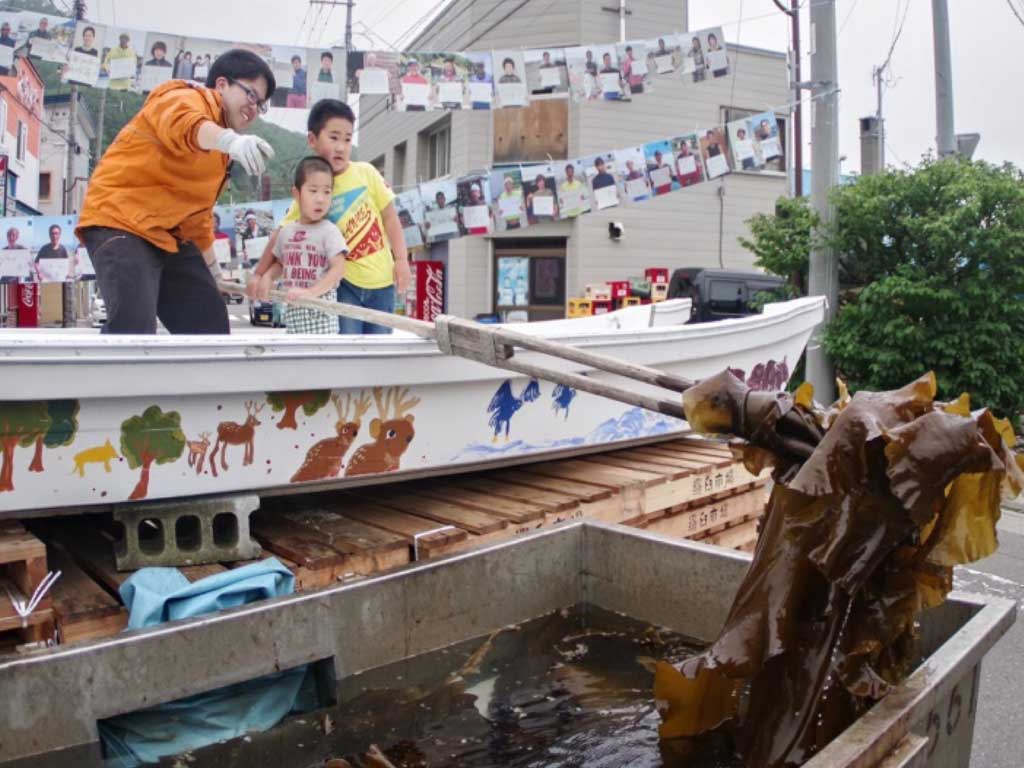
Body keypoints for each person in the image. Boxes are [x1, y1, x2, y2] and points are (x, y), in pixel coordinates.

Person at [75, 49, 277, 334]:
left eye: (262, 104)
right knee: (132, 326)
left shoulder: (219, 156)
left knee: (209, 323)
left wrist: (215, 275)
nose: (254, 108)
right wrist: (231, 141)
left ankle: (203, 380)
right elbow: (185, 124)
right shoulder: (183, 97)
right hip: (120, 221)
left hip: (168, 236)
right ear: (221, 84)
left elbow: (198, 219)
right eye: (251, 95)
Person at [247, 99, 410, 335]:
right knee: (346, 353)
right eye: (333, 138)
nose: (342, 147)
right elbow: (280, 234)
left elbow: (390, 218)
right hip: (345, 286)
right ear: (313, 140)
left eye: (347, 138)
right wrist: (260, 274)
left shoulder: (366, 172)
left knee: (379, 354)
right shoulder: (310, 189)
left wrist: (402, 260)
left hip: (383, 284)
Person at [258, 156, 348, 334]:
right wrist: (267, 277)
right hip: (294, 314)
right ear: (297, 194)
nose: (320, 199)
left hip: (321, 316)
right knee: (296, 360)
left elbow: (338, 269)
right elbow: (281, 264)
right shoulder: (286, 232)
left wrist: (311, 293)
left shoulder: (329, 231)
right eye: (313, 191)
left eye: (327, 192)